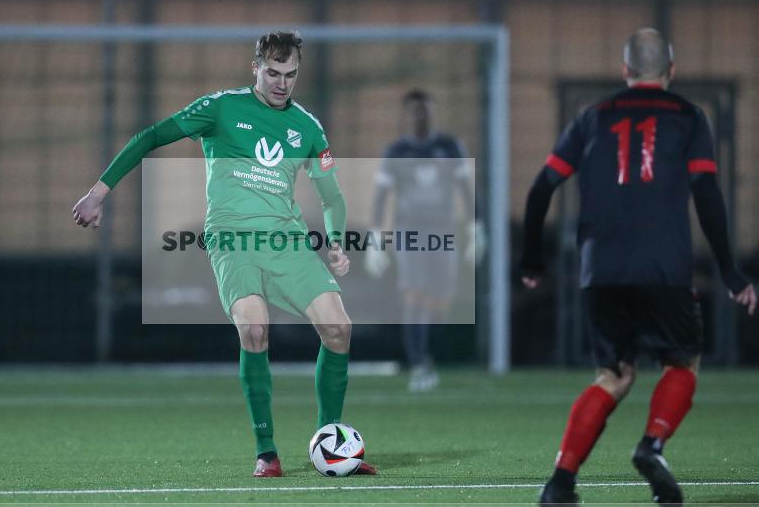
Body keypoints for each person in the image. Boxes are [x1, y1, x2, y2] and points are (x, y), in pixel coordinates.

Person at [72, 31, 375, 478]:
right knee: (254, 329)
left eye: (290, 74)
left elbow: (331, 196)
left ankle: (330, 440)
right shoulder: (221, 108)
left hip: (286, 242)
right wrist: (98, 193)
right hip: (233, 241)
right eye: (273, 72)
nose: (282, 83)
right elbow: (151, 136)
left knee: (338, 328)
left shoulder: (308, 128)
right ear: (255, 68)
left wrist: (333, 240)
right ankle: (267, 452)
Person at [520, 28, 756, 507]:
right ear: (670, 71)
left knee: (612, 374)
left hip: (599, 269)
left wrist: (531, 258)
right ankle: (651, 445)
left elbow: (542, 189)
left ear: (625, 71)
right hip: (662, 265)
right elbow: (707, 193)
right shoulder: (690, 118)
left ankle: (560, 483)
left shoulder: (591, 117)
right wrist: (729, 270)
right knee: (682, 362)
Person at [365, 90, 484, 391]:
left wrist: (475, 228)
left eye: (426, 111)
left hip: (443, 231)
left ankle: (428, 355)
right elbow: (381, 196)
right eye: (416, 111)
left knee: (440, 300)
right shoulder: (397, 151)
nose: (422, 117)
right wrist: (376, 235)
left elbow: (464, 189)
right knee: (414, 295)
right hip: (410, 232)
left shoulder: (448, 147)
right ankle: (419, 364)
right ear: (407, 116)